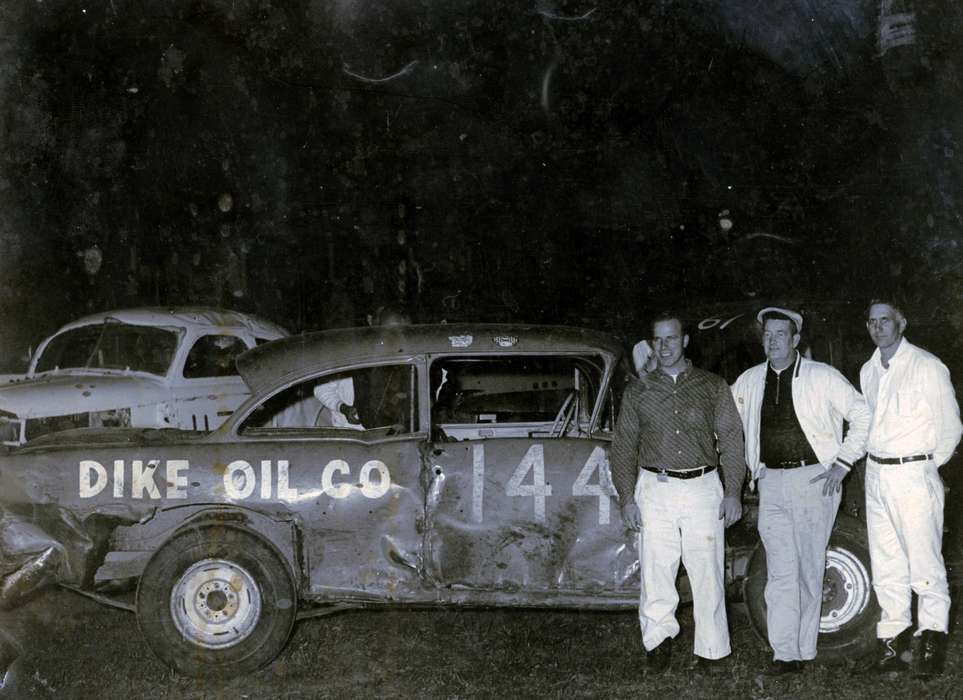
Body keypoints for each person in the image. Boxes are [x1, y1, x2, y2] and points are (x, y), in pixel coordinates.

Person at [731, 307, 869, 675]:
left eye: (780, 334)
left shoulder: (822, 377)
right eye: (767, 334)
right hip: (770, 483)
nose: (772, 340)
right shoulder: (748, 381)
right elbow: (724, 423)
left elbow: (862, 414)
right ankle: (785, 655)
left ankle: (806, 649)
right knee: (779, 570)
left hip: (814, 480)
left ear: (795, 340)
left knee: (810, 567)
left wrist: (843, 462)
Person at [611, 312, 745, 675]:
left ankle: (713, 652)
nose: (665, 346)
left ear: (686, 341)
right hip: (655, 488)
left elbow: (732, 439)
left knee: (708, 571)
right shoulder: (638, 390)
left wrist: (732, 491)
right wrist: (626, 498)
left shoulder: (712, 386)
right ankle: (658, 643)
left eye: (672, 338)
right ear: (652, 343)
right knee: (656, 570)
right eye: (658, 339)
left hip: (703, 487)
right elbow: (623, 446)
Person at [859, 299, 962, 678]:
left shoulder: (927, 366)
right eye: (872, 322)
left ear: (901, 322)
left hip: (913, 474)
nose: (878, 328)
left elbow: (950, 428)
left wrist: (923, 469)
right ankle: (892, 647)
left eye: (885, 320)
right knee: (886, 563)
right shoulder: (868, 370)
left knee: (924, 563)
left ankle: (931, 643)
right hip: (876, 474)